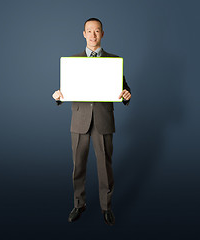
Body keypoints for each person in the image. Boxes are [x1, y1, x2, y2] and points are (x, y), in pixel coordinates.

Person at [52, 18, 131, 226]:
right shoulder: (72, 61)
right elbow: (65, 90)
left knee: (105, 165)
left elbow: (124, 89)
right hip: (79, 120)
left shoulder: (113, 61)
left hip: (104, 120)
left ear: (102, 34)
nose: (93, 35)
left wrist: (126, 95)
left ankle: (106, 207)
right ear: (84, 34)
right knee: (78, 165)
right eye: (89, 31)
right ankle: (79, 204)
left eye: (97, 31)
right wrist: (58, 96)